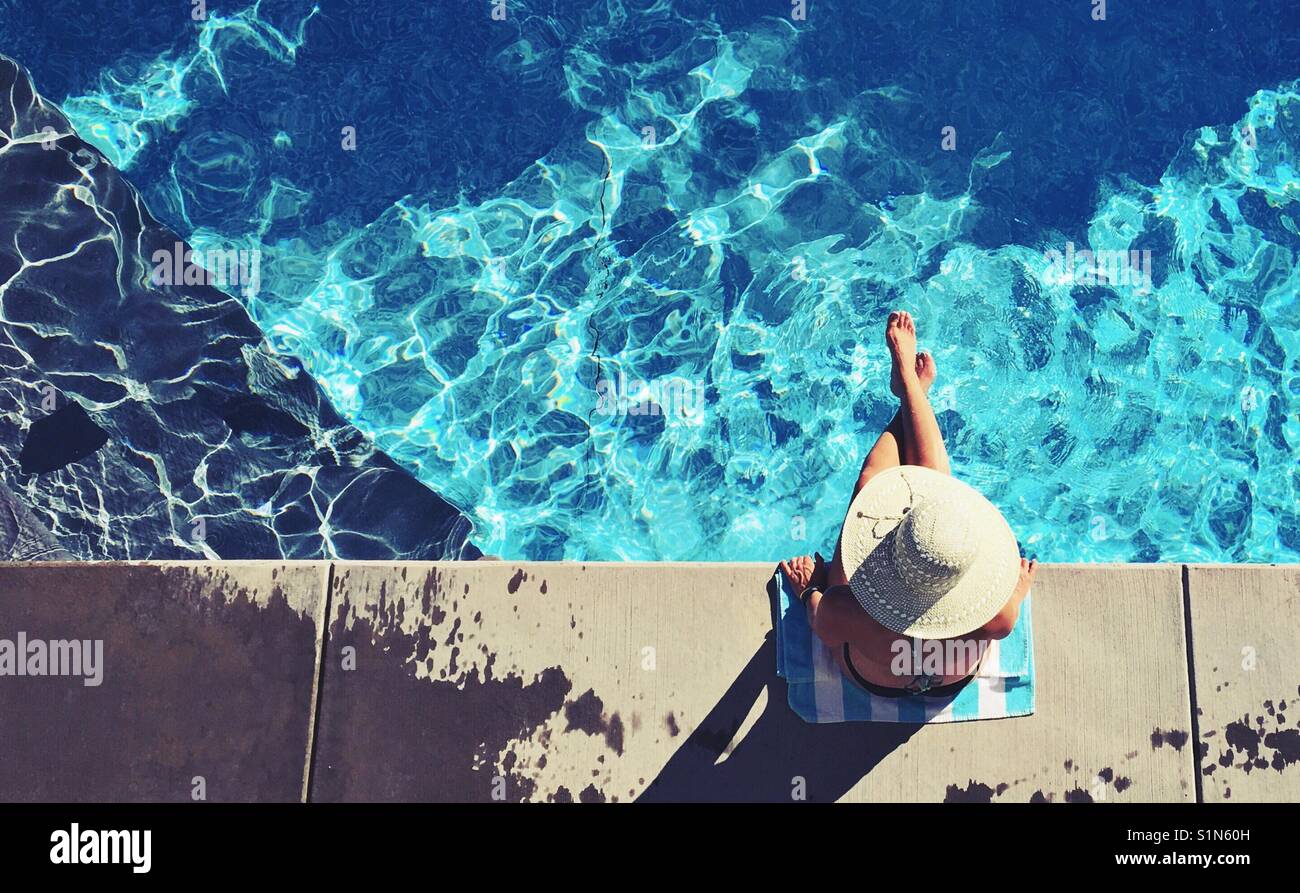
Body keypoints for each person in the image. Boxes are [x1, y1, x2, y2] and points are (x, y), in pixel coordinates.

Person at [779, 311, 1036, 697]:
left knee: (871, 484)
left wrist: (808, 589)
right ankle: (911, 393)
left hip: (874, 679)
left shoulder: (846, 610)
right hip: (951, 681)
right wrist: (1016, 587)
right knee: (939, 522)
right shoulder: (998, 612)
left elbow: (820, 621)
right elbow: (1007, 616)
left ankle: (910, 394)